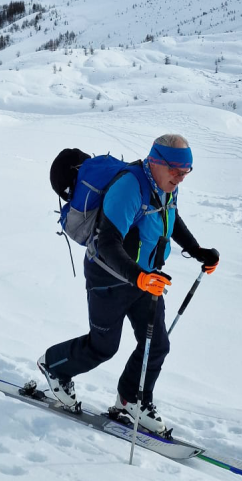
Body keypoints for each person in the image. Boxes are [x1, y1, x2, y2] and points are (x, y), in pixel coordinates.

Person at [37, 134, 220, 434]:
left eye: (186, 172)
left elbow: (170, 218)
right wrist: (140, 277)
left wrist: (197, 250)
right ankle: (54, 366)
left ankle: (130, 399)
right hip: (107, 278)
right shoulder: (129, 187)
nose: (180, 178)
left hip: (146, 280)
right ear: (156, 161)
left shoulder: (165, 187)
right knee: (102, 347)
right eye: (176, 170)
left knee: (157, 345)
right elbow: (108, 243)